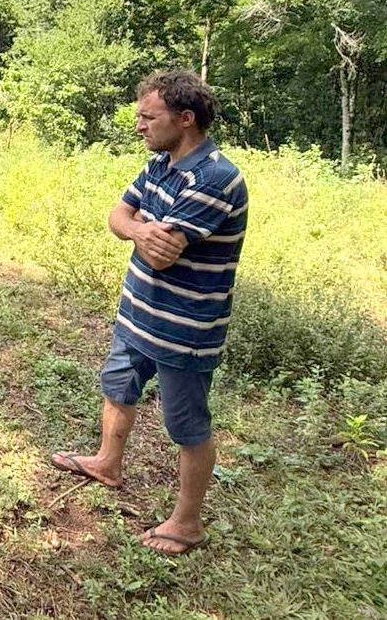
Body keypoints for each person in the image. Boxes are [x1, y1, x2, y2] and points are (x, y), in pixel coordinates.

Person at [51, 70, 248, 554]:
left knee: (187, 426)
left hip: (185, 329)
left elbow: (165, 253)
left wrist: (140, 230)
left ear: (185, 119)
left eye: (147, 116)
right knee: (118, 385)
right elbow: (119, 216)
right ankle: (107, 462)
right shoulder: (161, 163)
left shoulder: (215, 177)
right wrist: (139, 229)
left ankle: (187, 524)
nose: (139, 125)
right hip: (138, 312)